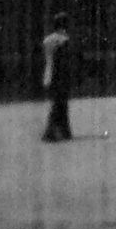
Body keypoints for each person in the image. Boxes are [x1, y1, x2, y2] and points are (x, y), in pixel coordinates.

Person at [40, 12, 76, 142]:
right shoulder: (64, 39)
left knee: (59, 103)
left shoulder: (47, 40)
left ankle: (64, 131)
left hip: (48, 74)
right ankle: (50, 132)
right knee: (60, 104)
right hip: (60, 76)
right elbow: (63, 60)